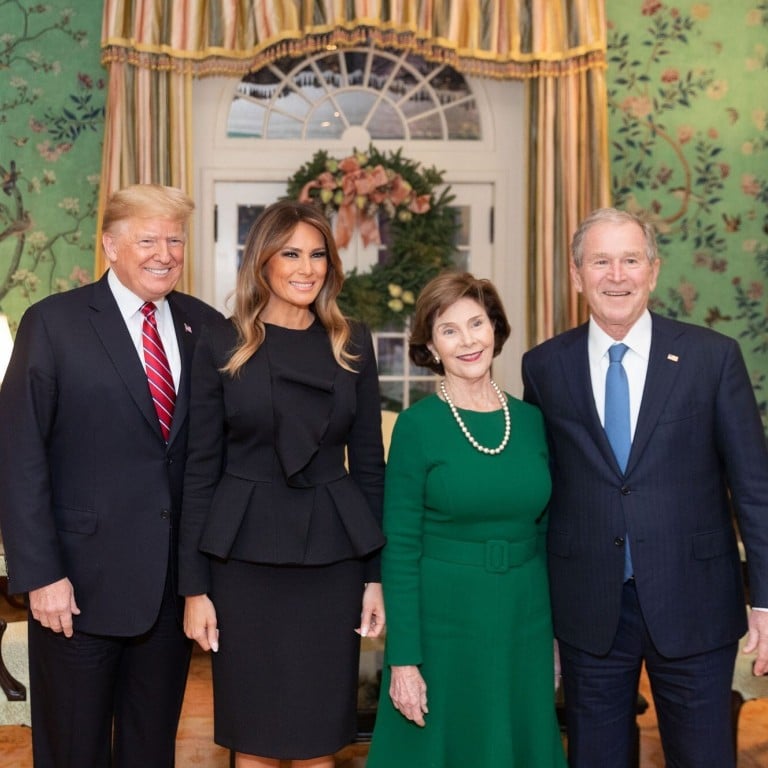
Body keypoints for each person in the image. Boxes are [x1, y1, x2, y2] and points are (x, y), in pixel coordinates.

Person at [522, 207, 768, 768]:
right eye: (600, 261)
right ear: (577, 274)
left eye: (630, 260)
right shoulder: (543, 367)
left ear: (652, 271)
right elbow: (541, 493)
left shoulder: (712, 358)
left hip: (696, 599)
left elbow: (755, 489)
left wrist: (767, 600)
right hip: (587, 607)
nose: (617, 275)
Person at [0, 184, 222, 767]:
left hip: (169, 593)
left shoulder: (206, 326)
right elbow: (19, 455)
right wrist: (41, 574)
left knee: (150, 754)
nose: (165, 253)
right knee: (74, 751)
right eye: (147, 239)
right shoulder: (53, 323)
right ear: (110, 245)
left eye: (175, 239)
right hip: (75, 591)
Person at [178, 199, 386, 768]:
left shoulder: (353, 345)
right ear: (262, 261)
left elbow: (369, 466)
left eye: (318, 254)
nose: (306, 267)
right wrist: (194, 589)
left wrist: (374, 578)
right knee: (256, 741)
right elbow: (200, 471)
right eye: (291, 253)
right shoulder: (221, 345)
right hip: (242, 565)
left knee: (320, 740)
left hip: (333, 563)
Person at [366, 271, 567, 768]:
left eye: (476, 323)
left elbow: (545, 533)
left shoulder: (532, 421)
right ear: (431, 346)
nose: (468, 340)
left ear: (495, 329)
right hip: (443, 624)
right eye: (449, 330)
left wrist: (557, 635)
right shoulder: (416, 427)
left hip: (525, 616)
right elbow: (401, 548)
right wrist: (404, 659)